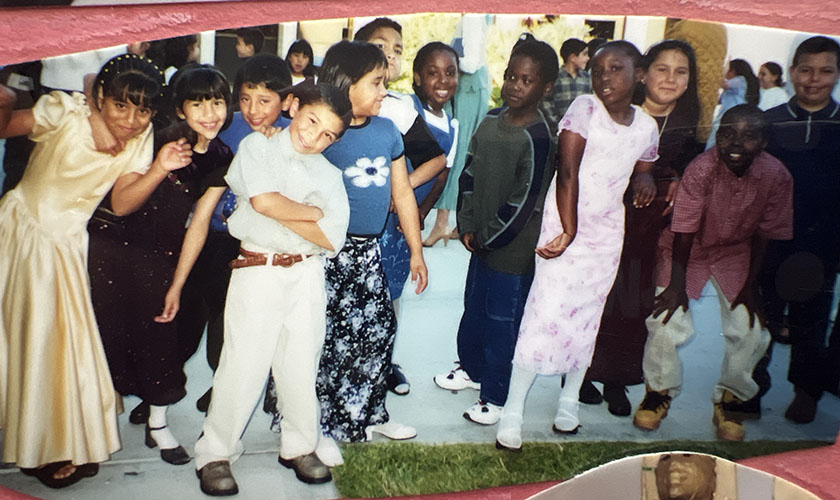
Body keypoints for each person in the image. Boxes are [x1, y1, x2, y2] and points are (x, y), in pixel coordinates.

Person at [0, 53, 192, 488]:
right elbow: (6, 127)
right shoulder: (65, 112)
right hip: (23, 233)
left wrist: (160, 167)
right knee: (28, 342)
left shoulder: (141, 141)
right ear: (101, 98)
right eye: (121, 106)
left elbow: (122, 203)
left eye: (143, 110)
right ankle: (38, 442)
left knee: (55, 350)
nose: (130, 119)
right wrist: (8, 98)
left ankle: (47, 440)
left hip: (67, 247)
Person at [495, 40, 659, 451]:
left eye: (616, 69)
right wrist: (568, 231)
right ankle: (513, 408)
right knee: (544, 312)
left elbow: (643, 165)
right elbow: (567, 174)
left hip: (606, 234)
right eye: (598, 69)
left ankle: (569, 401)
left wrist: (645, 179)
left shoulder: (645, 126)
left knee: (588, 316)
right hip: (565, 223)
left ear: (638, 74)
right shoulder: (585, 109)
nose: (604, 78)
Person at [193, 82, 352, 495]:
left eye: (328, 135)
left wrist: (293, 212)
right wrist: (312, 213)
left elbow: (332, 236)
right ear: (294, 107)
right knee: (242, 363)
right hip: (258, 266)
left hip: (306, 273)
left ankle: (299, 445)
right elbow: (263, 203)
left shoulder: (330, 173)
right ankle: (215, 452)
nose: (314, 136)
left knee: (301, 364)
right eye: (312, 120)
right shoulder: (257, 149)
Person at [87, 64, 233, 465]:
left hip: (161, 258)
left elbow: (199, 224)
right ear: (181, 110)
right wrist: (160, 167)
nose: (210, 113)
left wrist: (177, 284)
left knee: (161, 342)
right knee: (102, 340)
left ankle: (157, 425)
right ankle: (88, 427)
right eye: (198, 103)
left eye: (217, 101)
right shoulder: (155, 138)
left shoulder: (221, 155)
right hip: (112, 248)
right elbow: (119, 203)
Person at [633, 104, 793, 442]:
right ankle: (658, 392)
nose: (736, 143)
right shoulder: (701, 169)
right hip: (684, 251)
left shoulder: (777, 176)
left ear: (763, 142)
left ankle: (730, 399)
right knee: (666, 318)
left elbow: (766, 235)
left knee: (750, 329)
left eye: (749, 136)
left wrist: (751, 287)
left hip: (735, 253)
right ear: (717, 136)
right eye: (728, 134)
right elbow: (684, 230)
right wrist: (677, 287)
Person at [314, 40, 429, 466]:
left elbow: (402, 193)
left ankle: (368, 413)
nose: (385, 90)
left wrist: (416, 252)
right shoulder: (325, 135)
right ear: (345, 85)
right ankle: (323, 425)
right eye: (376, 82)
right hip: (327, 255)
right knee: (330, 342)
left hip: (369, 252)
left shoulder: (387, 132)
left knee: (377, 332)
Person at [437, 36, 559, 427]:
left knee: (502, 322)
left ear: (545, 88)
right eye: (510, 76)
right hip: (480, 242)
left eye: (526, 80)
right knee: (473, 310)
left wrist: (490, 236)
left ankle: (496, 395)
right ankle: (470, 370)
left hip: (510, 251)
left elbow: (525, 201)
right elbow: (468, 174)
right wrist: (468, 224)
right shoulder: (490, 120)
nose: (514, 86)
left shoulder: (540, 137)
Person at [583, 40, 702, 416]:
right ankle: (583, 373)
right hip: (605, 220)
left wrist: (682, 178)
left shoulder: (690, 127)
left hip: (650, 233)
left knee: (631, 304)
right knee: (594, 298)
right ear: (643, 73)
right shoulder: (618, 111)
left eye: (680, 71)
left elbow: (694, 177)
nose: (669, 78)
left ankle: (617, 380)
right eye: (662, 68)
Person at [183, 53, 293, 416]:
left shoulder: (292, 135)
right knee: (194, 317)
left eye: (264, 100)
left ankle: (224, 387)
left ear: (285, 100)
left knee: (230, 325)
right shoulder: (225, 126)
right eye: (245, 99)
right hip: (210, 235)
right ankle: (163, 391)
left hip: (251, 244)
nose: (252, 109)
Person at [353, 17, 447, 397]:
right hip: (339, 227)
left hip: (387, 231)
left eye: (396, 50)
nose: (389, 56)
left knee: (387, 300)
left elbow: (436, 159)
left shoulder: (397, 110)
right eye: (380, 47)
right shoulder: (328, 103)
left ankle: (383, 363)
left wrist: (401, 187)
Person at [759, 35, 840, 424]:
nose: (814, 79)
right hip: (771, 239)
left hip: (822, 241)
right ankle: (749, 389)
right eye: (806, 70)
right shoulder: (770, 123)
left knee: (812, 319)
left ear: (837, 75)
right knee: (760, 316)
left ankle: (806, 391)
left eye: (825, 71)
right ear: (791, 73)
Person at [423, 13, 491, 247]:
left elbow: (470, 61)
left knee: (457, 152)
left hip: (469, 86)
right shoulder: (472, 15)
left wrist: (443, 63)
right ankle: (455, 223)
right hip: (470, 86)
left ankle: (442, 222)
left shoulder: (472, 14)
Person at [540, 37, 591, 135]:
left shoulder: (587, 78)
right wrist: (559, 126)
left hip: (583, 134)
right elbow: (546, 103)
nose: (588, 58)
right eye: (584, 54)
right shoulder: (555, 77)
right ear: (572, 57)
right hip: (557, 134)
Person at [705, 58, 758, 149]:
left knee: (713, 143)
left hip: (732, 118)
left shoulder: (739, 80)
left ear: (733, 70)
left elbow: (722, 84)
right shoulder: (733, 86)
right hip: (727, 117)